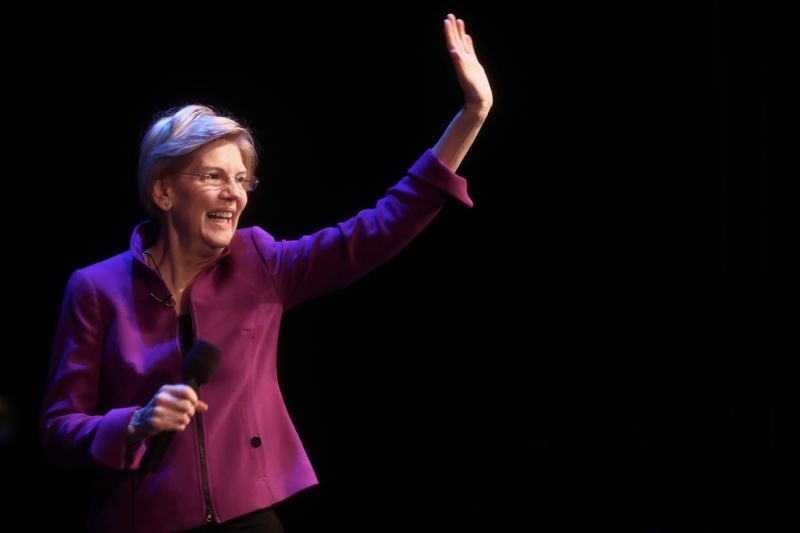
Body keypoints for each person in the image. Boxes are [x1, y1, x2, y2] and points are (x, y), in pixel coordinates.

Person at [39, 13, 492, 533]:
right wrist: (135, 423)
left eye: (241, 179)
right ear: (163, 192)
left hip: (249, 517)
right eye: (213, 176)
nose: (234, 194)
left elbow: (378, 229)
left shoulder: (261, 263)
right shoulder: (96, 288)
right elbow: (58, 431)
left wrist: (472, 115)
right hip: (141, 521)